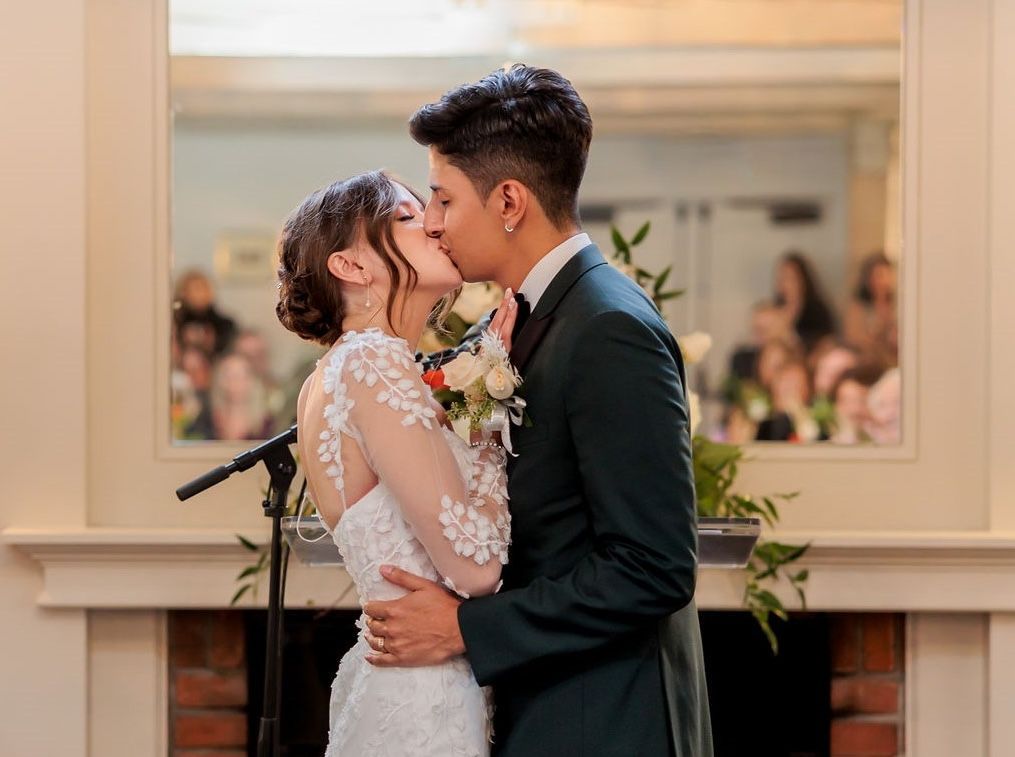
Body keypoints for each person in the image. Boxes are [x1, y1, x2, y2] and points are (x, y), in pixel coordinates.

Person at [359, 65, 712, 757]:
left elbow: (653, 564)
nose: (430, 223)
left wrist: (468, 628)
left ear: (509, 201)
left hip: (601, 717)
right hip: (549, 700)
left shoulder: (608, 327)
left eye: (442, 198)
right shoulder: (523, 314)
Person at [276, 170, 521, 755]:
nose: (434, 226)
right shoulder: (371, 363)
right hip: (423, 698)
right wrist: (489, 414)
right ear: (352, 267)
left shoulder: (337, 372)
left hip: (402, 680)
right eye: (407, 219)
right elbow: (476, 565)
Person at [773, 251, 838, 354]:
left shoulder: (817, 311)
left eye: (790, 278)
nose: (785, 283)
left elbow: (826, 342)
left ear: (803, 279)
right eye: (782, 277)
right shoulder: (774, 309)